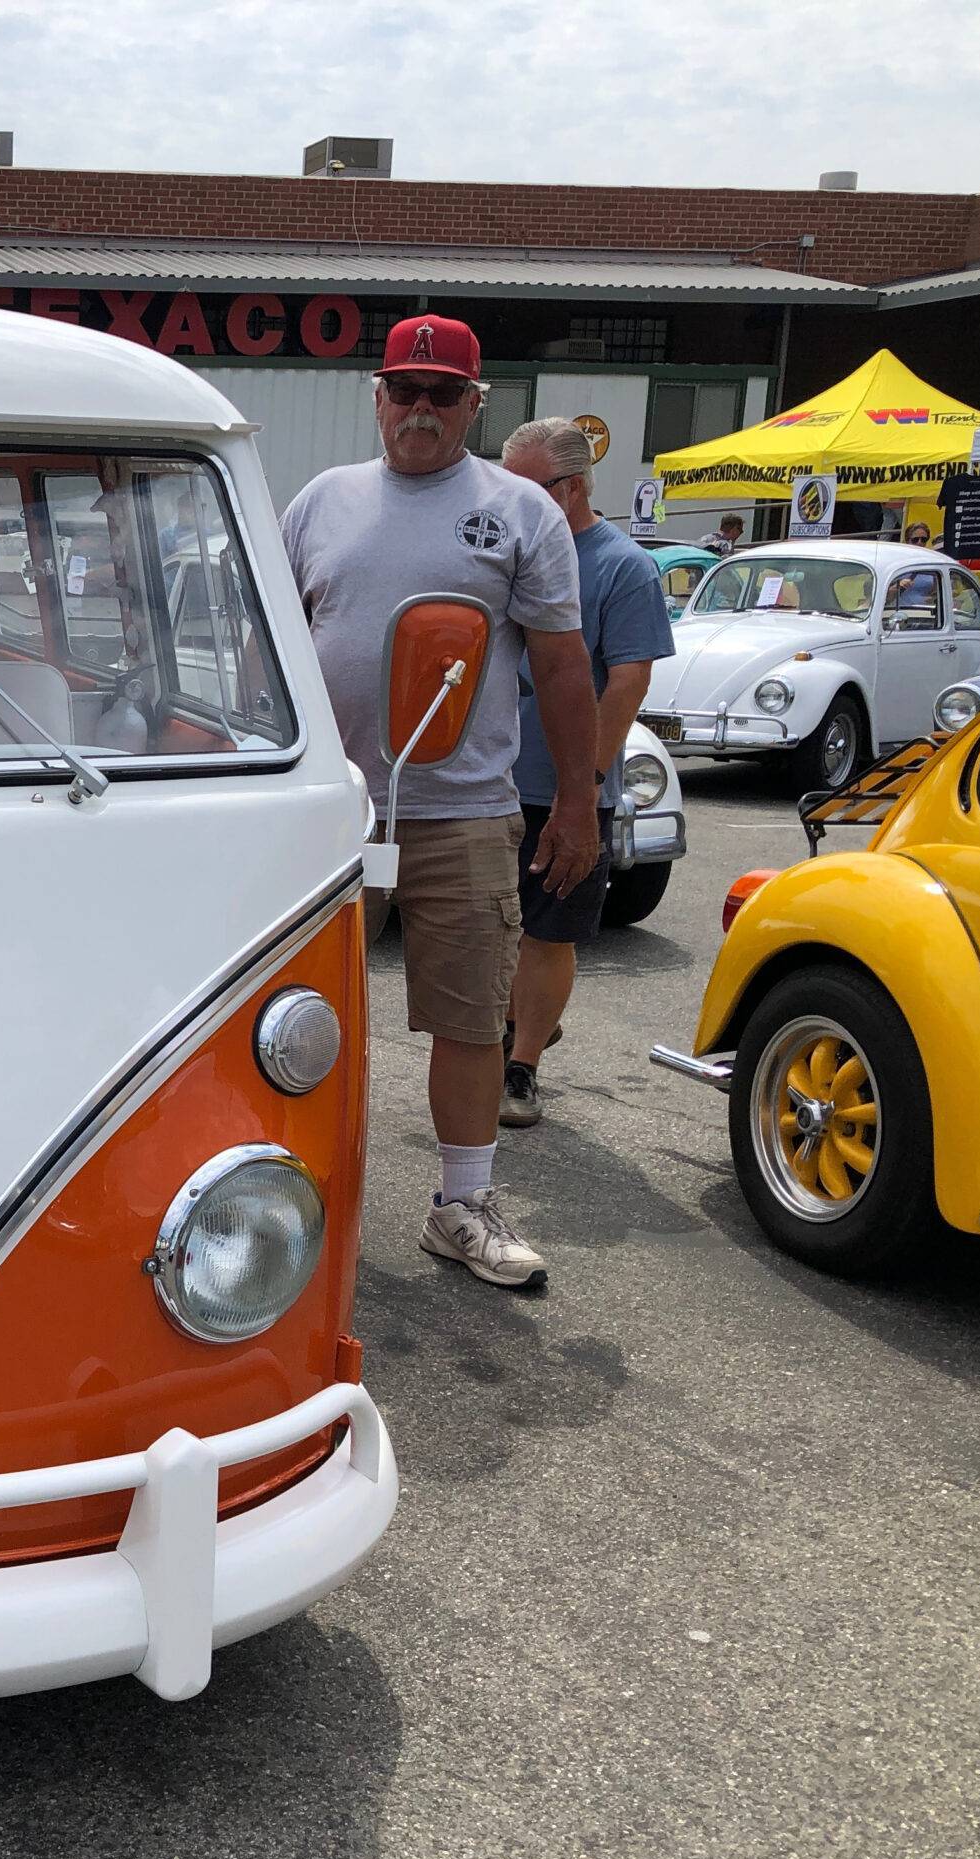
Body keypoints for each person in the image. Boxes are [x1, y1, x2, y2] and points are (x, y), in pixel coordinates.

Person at [280, 315, 600, 1290]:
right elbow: (274, 650)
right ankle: (285, 1197)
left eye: (442, 394)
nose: (420, 410)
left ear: (473, 404)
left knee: (468, 1018)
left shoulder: (520, 513)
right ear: (377, 396)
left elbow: (559, 665)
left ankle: (460, 1205)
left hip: (463, 810)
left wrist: (577, 804)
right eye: (403, 390)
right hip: (329, 812)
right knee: (297, 1016)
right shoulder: (320, 503)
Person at [495, 419, 677, 1129]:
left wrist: (586, 781)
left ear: (568, 489)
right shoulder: (502, 550)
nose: (504, 500)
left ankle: (522, 1064)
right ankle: (525, 1021)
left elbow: (629, 678)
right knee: (494, 928)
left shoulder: (621, 566)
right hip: (488, 782)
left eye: (522, 487)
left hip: (561, 789)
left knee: (547, 931)